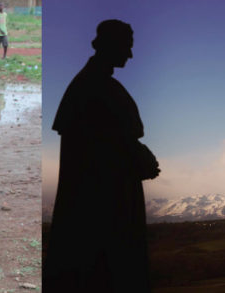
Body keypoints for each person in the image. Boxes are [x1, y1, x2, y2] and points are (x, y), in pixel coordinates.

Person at [45, 19, 159, 292]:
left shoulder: (94, 85)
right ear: (112, 45)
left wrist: (136, 153)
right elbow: (103, 146)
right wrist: (136, 156)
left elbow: (110, 140)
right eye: (127, 47)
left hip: (106, 202)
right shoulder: (94, 87)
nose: (130, 55)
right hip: (105, 208)